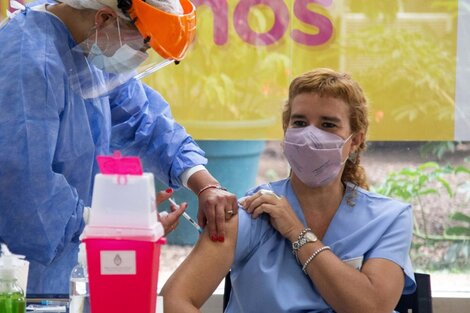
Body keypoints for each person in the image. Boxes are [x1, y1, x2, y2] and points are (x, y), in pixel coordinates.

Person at [0, 0, 238, 294]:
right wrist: (116, 226)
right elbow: (23, 185)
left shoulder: (90, 46)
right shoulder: (29, 61)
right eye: (142, 46)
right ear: (104, 17)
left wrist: (205, 183)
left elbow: (141, 120)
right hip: (17, 271)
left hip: (62, 261)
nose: (141, 56)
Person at [162, 68, 417, 313]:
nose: (310, 135)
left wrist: (297, 232)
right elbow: (177, 298)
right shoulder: (251, 213)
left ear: (355, 141)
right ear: (286, 129)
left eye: (328, 125)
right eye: (300, 122)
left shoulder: (388, 219)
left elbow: (372, 307)